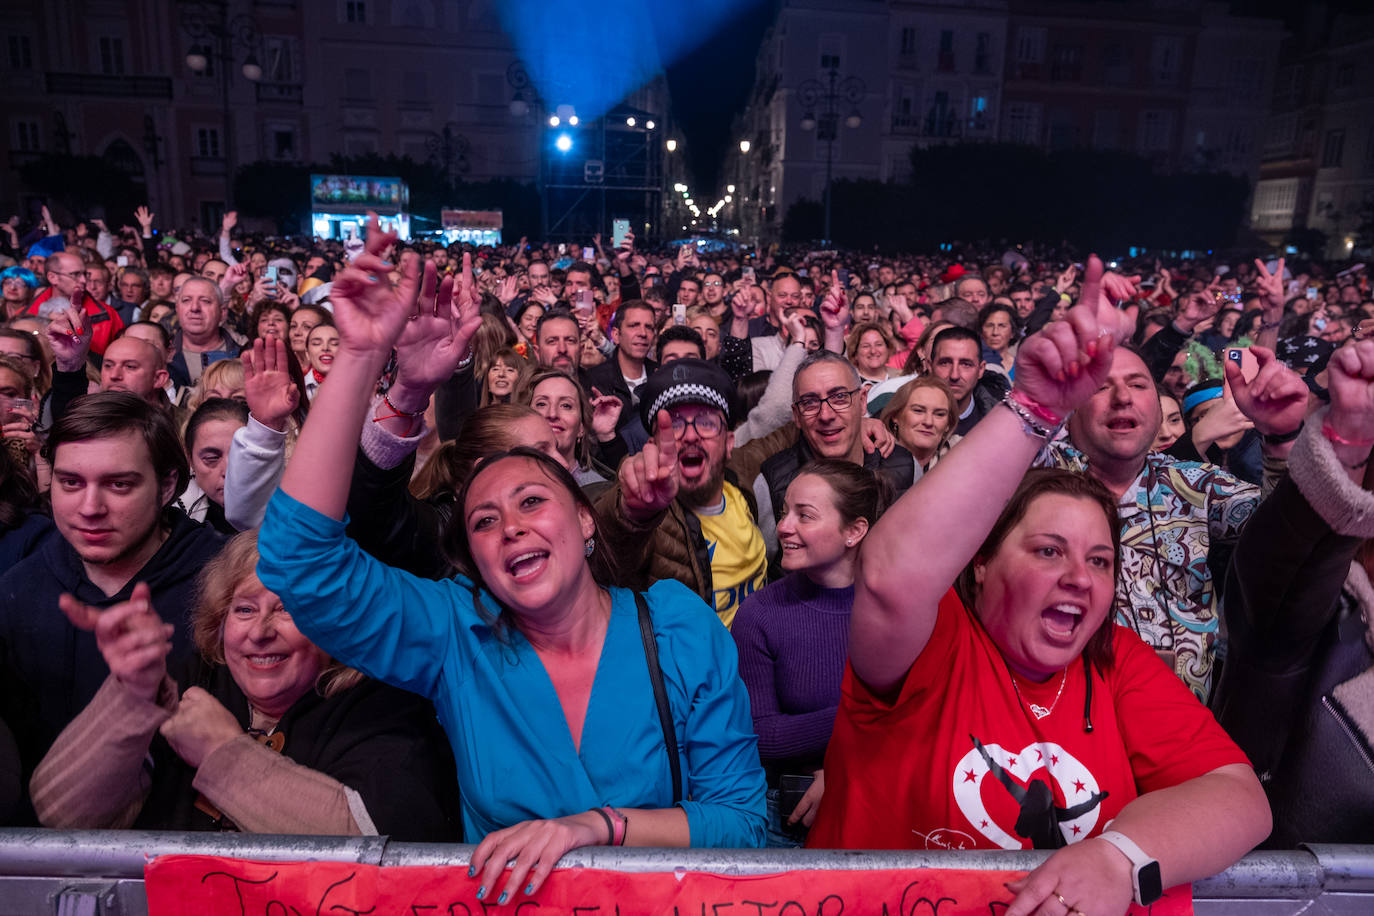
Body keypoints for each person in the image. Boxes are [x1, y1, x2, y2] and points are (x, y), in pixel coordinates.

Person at [255, 220, 765, 903]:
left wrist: (597, 830)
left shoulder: (677, 626)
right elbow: (299, 566)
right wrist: (359, 356)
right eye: (484, 521)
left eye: (532, 500)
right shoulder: (454, 634)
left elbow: (743, 827)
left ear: (585, 518)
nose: (512, 528)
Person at [808, 258, 1270, 916]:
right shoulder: (935, 644)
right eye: (1048, 551)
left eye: (1102, 561)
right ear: (981, 564)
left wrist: (1120, 857)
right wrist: (1035, 408)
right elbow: (887, 576)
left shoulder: (1114, 665)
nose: (1080, 579)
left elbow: (1238, 796)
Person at [30, 531, 460, 839]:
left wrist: (221, 752)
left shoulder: (380, 702)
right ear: (219, 623)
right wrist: (130, 696)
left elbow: (370, 839)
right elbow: (60, 815)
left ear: (335, 627)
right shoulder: (189, 680)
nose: (259, 632)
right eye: (244, 609)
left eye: (287, 609)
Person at [0, 392, 225, 789]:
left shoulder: (226, 585)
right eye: (70, 482)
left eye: (119, 484)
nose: (90, 507)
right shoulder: (18, 591)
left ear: (168, 483)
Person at [732, 460, 883, 847]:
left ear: (854, 531)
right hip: (789, 823)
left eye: (805, 515)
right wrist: (868, 718)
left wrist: (844, 770)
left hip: (880, 802)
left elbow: (929, 721)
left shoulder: (891, 608)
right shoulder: (760, 614)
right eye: (785, 512)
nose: (783, 526)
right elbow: (762, 734)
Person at [596, 358, 769, 627]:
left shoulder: (741, 473)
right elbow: (602, 560)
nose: (689, 436)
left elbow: (785, 427)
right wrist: (631, 514)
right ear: (653, 445)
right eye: (674, 424)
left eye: (707, 422)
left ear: (729, 443)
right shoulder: (654, 523)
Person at [522, 369, 619, 488]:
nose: (552, 414)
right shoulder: (505, 478)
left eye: (566, 406)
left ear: (581, 428)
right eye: (541, 404)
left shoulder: (600, 490)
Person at [26, 250, 125, 356]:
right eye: (76, 274)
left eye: (84, 274)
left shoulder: (109, 316)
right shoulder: (25, 316)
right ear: (52, 277)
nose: (83, 280)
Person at [176, 398, 248, 533]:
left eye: (240, 456)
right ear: (189, 458)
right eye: (212, 458)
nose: (228, 471)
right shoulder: (175, 519)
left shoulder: (286, 505)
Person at [930, 326, 1009, 435]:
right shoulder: (903, 410)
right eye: (945, 363)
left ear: (981, 370)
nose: (954, 375)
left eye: (966, 364)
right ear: (930, 367)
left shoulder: (1003, 417)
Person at [167, 277, 243, 389]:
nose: (194, 308)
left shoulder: (243, 355)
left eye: (205, 301)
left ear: (222, 312)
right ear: (177, 309)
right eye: (186, 300)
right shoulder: (162, 357)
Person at [877, 376, 961, 473]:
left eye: (939, 414)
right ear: (895, 415)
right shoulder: (873, 457)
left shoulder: (962, 454)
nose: (928, 422)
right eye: (918, 411)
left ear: (948, 424)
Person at [846, 322, 897, 388]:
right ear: (855, 353)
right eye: (866, 346)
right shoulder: (848, 382)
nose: (873, 351)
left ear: (888, 348)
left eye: (878, 344)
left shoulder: (902, 377)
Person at [286, 304, 330, 373]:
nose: (297, 333)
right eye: (293, 326)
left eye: (307, 327)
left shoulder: (333, 369)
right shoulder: (281, 366)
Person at [303, 322, 339, 400]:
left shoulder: (362, 386)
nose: (325, 348)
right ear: (307, 353)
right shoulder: (298, 388)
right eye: (316, 343)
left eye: (334, 344)